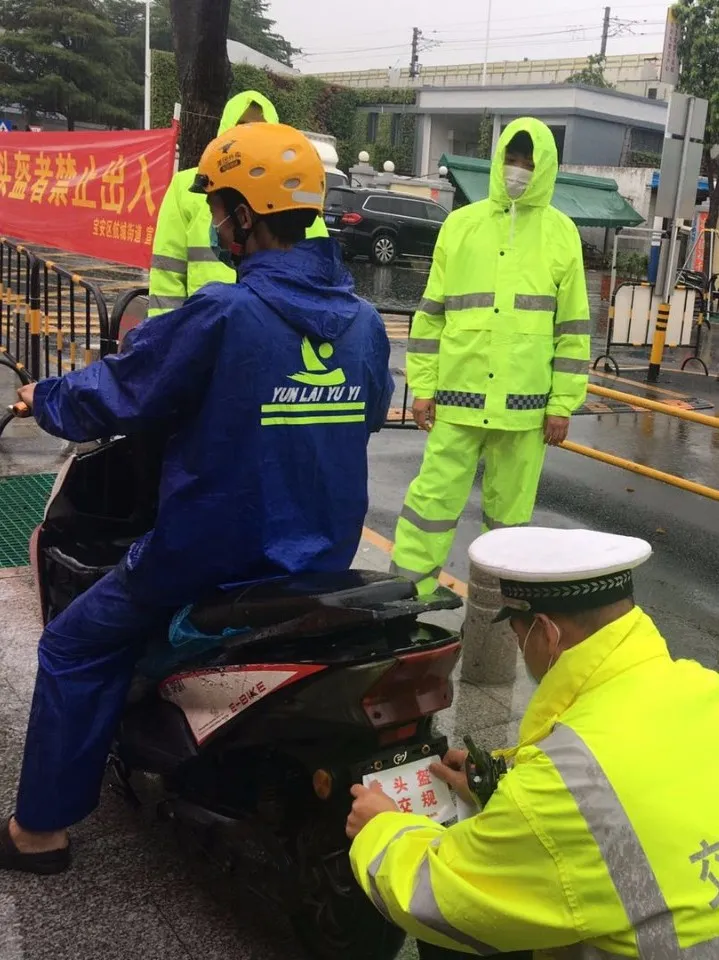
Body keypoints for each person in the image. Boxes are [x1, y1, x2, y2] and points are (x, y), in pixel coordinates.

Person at [1, 123, 393, 875]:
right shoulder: (365, 324)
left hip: (208, 557)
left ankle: (37, 834)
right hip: (321, 558)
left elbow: (118, 391)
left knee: (73, 646)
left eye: (218, 208)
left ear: (245, 215)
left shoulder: (223, 313)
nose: (214, 224)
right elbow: (368, 412)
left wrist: (42, 397)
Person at [347, 526, 719, 957]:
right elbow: (636, 789)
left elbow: (439, 896)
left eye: (517, 634)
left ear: (546, 632)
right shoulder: (703, 686)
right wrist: (502, 785)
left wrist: (382, 827)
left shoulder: (561, 784)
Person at [391, 118, 590, 596]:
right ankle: (403, 596)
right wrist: (422, 386)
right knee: (431, 503)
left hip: (525, 411)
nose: (518, 171)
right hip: (458, 399)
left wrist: (562, 404)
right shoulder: (461, 226)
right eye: (512, 159)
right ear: (498, 161)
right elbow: (431, 315)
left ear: (545, 168)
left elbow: (573, 329)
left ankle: (495, 613)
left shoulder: (562, 234)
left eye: (529, 163)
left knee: (509, 521)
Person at [148, 90, 328, 317]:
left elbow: (315, 268)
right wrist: (165, 330)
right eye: (242, 126)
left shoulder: (290, 192)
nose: (249, 135)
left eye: (260, 128)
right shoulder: (188, 185)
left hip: (266, 318)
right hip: (205, 323)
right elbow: (167, 272)